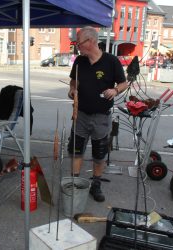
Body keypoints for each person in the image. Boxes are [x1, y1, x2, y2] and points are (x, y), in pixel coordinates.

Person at [67, 26, 128, 202]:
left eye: (79, 43)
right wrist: (72, 90)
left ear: (91, 41)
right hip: (80, 116)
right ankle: (74, 183)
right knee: (76, 151)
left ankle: (96, 184)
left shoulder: (111, 61)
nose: (77, 46)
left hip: (101, 117)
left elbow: (124, 83)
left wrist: (115, 90)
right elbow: (73, 82)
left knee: (99, 153)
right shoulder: (79, 61)